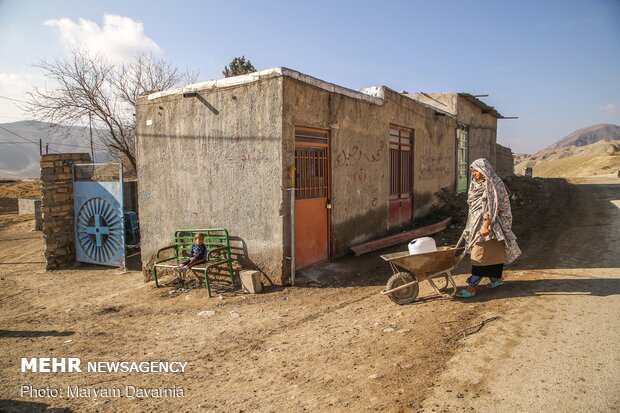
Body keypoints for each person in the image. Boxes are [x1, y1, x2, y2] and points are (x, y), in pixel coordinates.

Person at [456, 158, 521, 298]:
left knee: (480, 257)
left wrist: (486, 224)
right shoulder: (477, 184)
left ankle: (472, 288)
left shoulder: (493, 184)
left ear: (484, 171)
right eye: (472, 170)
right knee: (493, 255)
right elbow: (474, 204)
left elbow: (494, 206)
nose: (473, 173)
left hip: (491, 227)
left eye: (476, 170)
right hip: (477, 225)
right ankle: (496, 279)